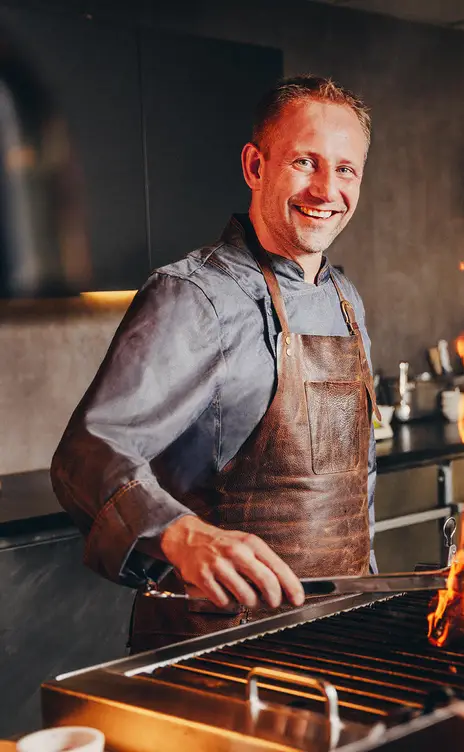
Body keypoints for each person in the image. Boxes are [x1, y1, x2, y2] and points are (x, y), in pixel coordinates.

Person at [50, 75, 380, 652]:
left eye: (346, 169)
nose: (328, 188)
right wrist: (178, 534)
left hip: (338, 636)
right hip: (219, 647)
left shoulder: (345, 301)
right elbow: (87, 453)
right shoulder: (193, 296)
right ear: (255, 166)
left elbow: (356, 491)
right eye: (306, 161)